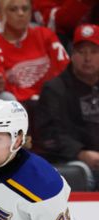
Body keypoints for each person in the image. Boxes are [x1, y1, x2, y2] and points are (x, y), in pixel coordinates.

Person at [35, 24, 99, 185]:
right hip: (70, 160)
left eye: (94, 52)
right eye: (81, 52)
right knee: (82, 172)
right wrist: (81, 153)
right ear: (72, 54)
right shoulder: (55, 89)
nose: (87, 58)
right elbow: (50, 134)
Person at [0, 0, 70, 103]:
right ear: (2, 14)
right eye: (13, 9)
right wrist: (31, 96)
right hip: (16, 106)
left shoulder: (45, 35)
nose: (21, 13)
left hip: (53, 102)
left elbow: (65, 70)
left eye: (25, 9)